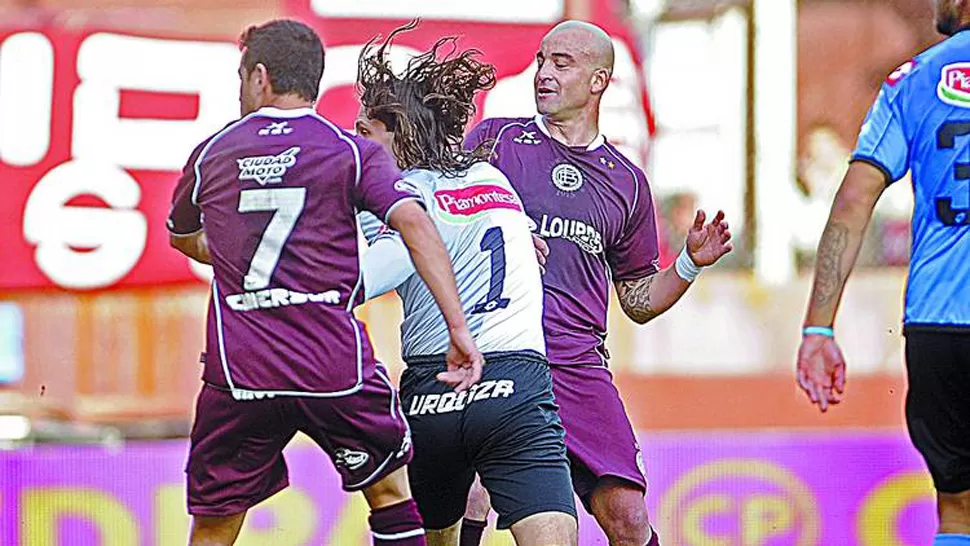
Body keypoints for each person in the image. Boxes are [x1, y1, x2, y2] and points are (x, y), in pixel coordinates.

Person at [166, 19, 483, 546]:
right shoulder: (350, 152)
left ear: (259, 77)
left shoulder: (211, 154)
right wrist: (458, 328)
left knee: (215, 523)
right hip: (331, 367)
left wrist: (230, 251)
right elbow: (415, 223)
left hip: (240, 372)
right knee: (390, 496)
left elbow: (185, 238)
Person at [464, 20, 733, 546]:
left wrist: (688, 264)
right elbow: (441, 219)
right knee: (470, 493)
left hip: (576, 365)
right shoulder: (495, 141)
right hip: (496, 352)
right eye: (542, 60)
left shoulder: (626, 181)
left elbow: (635, 299)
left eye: (561, 63)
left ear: (599, 81)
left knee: (629, 518)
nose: (543, 73)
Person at [353, 23, 578, 546]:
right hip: (516, 389)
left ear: (399, 134)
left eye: (366, 131)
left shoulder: (401, 201)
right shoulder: (492, 180)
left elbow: (359, 282)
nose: (358, 143)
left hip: (435, 391)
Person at [797, 2, 970, 544]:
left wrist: (818, 328)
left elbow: (852, 203)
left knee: (957, 509)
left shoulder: (912, 80)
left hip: (940, 324)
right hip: (939, 320)